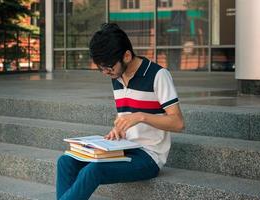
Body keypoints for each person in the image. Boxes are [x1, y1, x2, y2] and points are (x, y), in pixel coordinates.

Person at [56, 23, 184, 200]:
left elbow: (178, 123)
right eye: (101, 68)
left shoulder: (158, 75)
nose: (105, 73)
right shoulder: (116, 76)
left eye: (108, 67)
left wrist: (141, 117)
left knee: (94, 170)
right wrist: (118, 129)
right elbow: (124, 115)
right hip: (124, 147)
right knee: (66, 161)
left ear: (126, 55)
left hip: (149, 156)